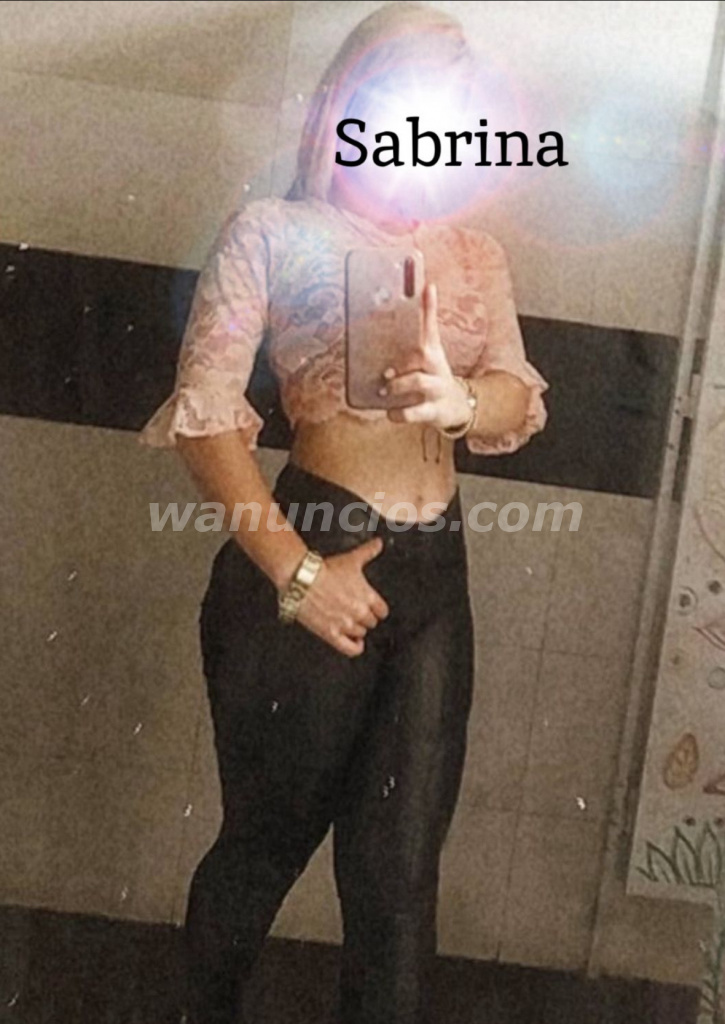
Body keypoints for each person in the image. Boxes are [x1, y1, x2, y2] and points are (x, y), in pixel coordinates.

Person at [138, 4, 549, 1022]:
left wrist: (460, 400)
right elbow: (204, 420)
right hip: (311, 550)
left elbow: (515, 395)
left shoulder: (474, 255)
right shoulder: (272, 233)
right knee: (264, 847)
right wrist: (300, 577)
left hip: (434, 575)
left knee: (399, 883)